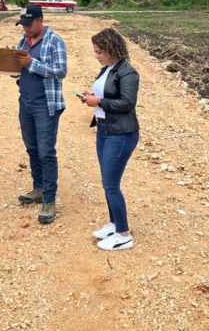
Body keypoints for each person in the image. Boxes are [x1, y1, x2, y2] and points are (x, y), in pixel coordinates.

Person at [78, 27, 139, 251]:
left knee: (111, 184)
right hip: (104, 130)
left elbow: (127, 103)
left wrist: (99, 102)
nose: (97, 56)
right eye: (95, 52)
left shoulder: (128, 72)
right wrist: (91, 97)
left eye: (99, 52)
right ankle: (114, 224)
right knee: (107, 182)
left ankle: (124, 235)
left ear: (112, 48)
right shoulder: (109, 69)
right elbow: (108, 95)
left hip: (121, 134)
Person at [12, 4, 67, 224]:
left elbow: (61, 71)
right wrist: (11, 65)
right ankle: (39, 188)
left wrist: (31, 63)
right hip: (25, 103)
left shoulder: (55, 41)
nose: (25, 28)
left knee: (46, 153)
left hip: (46, 105)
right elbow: (19, 69)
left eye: (29, 24)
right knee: (32, 149)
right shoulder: (23, 42)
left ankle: (49, 200)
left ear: (40, 20)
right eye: (23, 24)